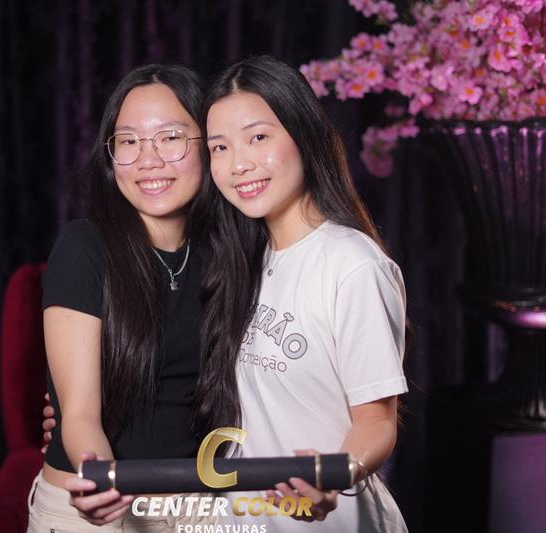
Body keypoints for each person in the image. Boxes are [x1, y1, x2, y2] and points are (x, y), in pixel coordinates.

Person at [197, 55, 409, 532]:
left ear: (303, 135)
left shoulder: (352, 264)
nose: (239, 164)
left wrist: (330, 478)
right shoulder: (243, 263)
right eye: (220, 147)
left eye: (258, 137)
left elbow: (377, 422)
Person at [29, 63, 221, 532]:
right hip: (94, 510)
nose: (148, 159)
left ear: (208, 145)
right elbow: (77, 412)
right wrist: (97, 476)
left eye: (170, 137)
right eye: (129, 141)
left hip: (201, 512)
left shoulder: (231, 254)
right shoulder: (83, 247)